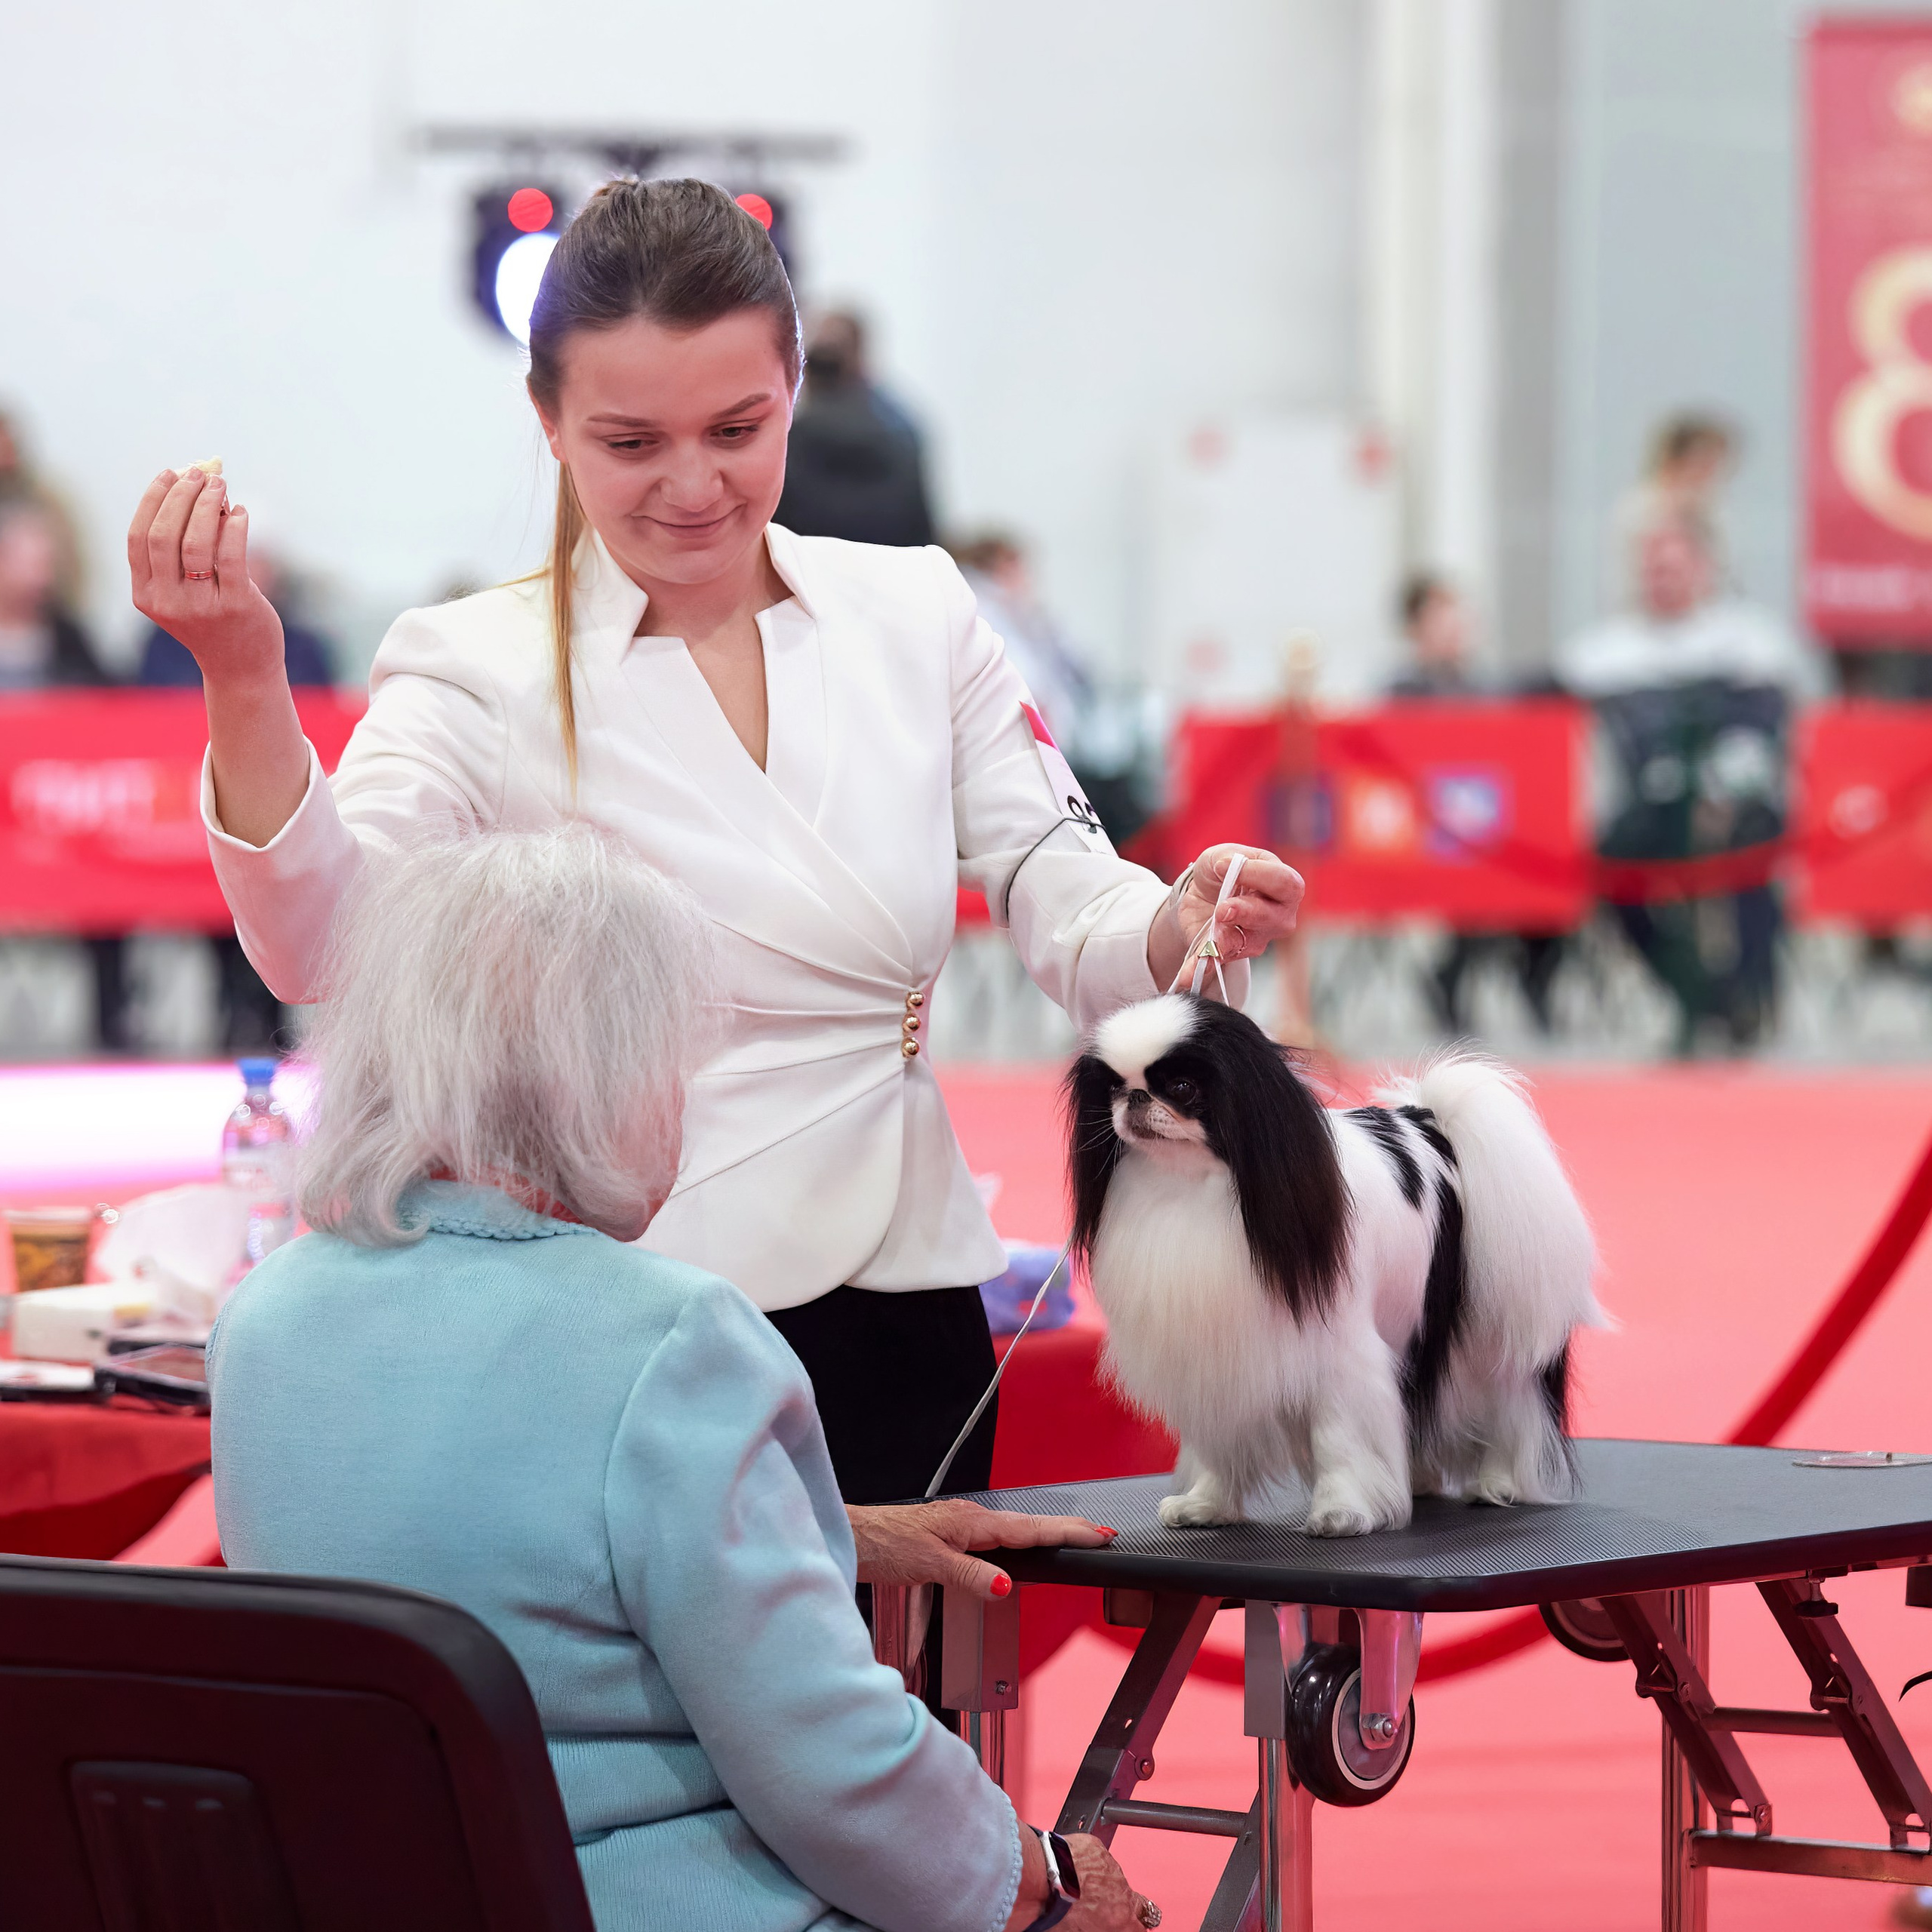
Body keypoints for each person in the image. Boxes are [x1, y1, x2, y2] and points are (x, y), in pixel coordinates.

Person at [128, 179, 1302, 1586]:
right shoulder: (470, 662)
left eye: (737, 431)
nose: (693, 487)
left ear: (795, 389)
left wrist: (1176, 918)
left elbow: (1063, 883)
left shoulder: (918, 611)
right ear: (548, 422)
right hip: (623, 1306)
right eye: (631, 443)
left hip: (908, 1281)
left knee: (900, 1700)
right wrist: (244, 681)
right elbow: (328, 951)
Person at [210, 825, 1156, 1932]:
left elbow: (492, 1547)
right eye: (674, 1063)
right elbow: (829, 1767)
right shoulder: (671, 1340)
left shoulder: (262, 1320)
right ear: (596, 1076)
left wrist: (829, 1530)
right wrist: (1039, 1872)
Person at [1558, 517, 1829, 1051]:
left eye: (1674, 567)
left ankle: (1747, 995)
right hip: (1653, 807)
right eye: (1653, 568)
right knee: (1613, 864)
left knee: (1754, 855)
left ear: (1704, 569)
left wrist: (1722, 790)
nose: (1663, 579)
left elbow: (1774, 731)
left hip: (1737, 805)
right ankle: (1694, 996)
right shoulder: (1605, 649)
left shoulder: (1751, 641)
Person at [137, 540, 337, 1051]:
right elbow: (146, 712)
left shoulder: (305, 642)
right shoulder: (164, 640)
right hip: (188, 796)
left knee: (272, 884)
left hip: (274, 794)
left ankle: (266, 1014)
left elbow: (323, 710)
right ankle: (229, 1006)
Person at [1387, 572, 1564, 1033]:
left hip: (1489, 823)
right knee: (1478, 867)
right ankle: (1453, 975)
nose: (1455, 629)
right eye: (1441, 618)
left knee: (1547, 859)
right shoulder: (1402, 690)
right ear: (1417, 628)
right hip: (1429, 830)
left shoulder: (1483, 685)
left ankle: (1533, 971)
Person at [0, 498, 133, 1052]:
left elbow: (112, 708)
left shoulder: (70, 636)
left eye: (46, 560)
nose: (41, 573)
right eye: (28, 559)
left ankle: (114, 1028)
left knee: (112, 878)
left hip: (60, 815)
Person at [775, 309, 936, 546]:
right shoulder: (903, 428)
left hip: (817, 564)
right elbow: (923, 524)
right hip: (893, 563)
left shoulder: (798, 436)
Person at [1609, 411, 1735, 608]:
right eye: (1703, 461)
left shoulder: (1714, 512)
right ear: (1675, 460)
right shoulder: (1638, 509)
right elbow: (1624, 581)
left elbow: (1725, 577)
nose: (1711, 472)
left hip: (1704, 616)